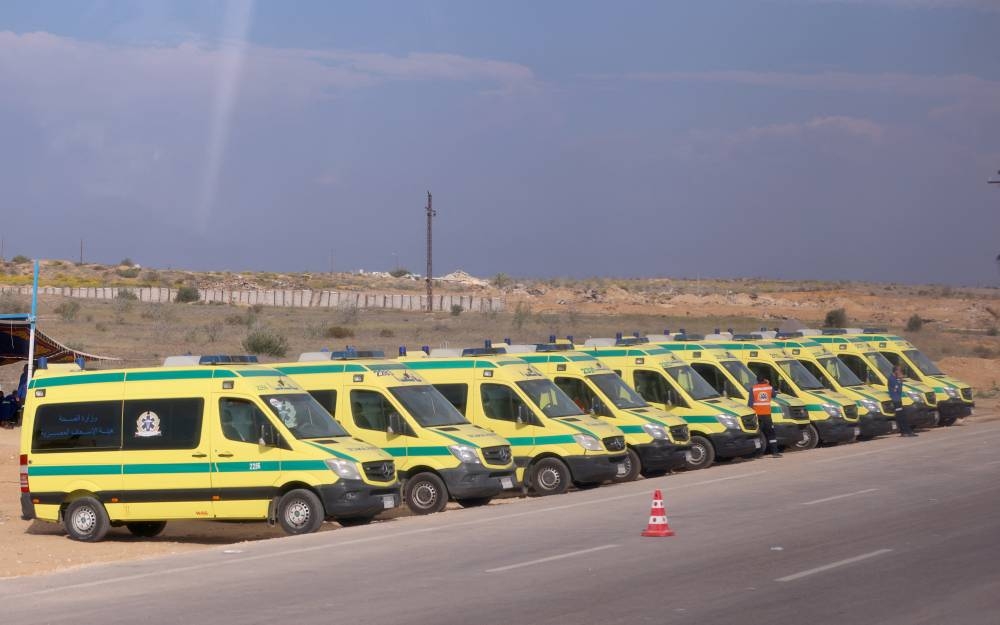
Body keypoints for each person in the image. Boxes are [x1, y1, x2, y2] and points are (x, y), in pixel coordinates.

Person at [749, 375, 781, 457]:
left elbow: (750, 403)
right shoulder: (769, 387)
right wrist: (768, 383)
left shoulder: (753, 388)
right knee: (771, 433)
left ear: (757, 380)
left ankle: (758, 454)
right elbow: (774, 395)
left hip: (757, 414)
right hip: (767, 414)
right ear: (764, 379)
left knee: (757, 433)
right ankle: (775, 453)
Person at [890, 365, 916, 437]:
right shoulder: (891, 379)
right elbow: (896, 389)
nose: (900, 372)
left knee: (903, 416)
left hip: (898, 399)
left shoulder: (896, 378)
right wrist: (899, 380)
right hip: (895, 400)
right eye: (899, 371)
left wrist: (899, 380)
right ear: (895, 371)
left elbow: (899, 388)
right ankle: (904, 432)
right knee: (900, 416)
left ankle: (908, 431)